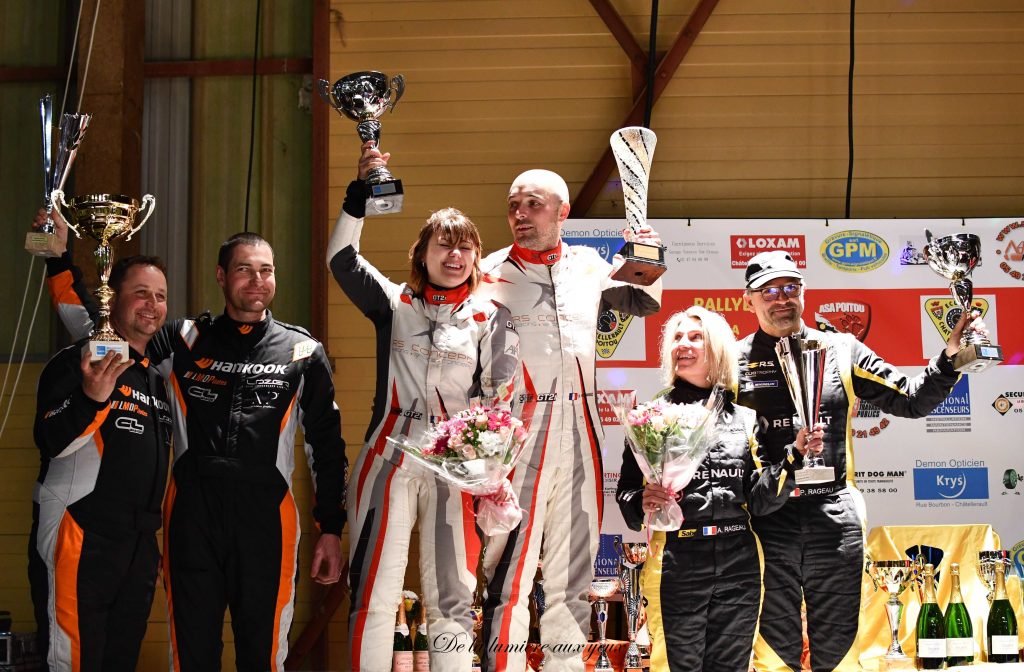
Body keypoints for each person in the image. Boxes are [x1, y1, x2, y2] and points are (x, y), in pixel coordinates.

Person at [39, 214, 348, 671]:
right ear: (222, 277)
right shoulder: (183, 338)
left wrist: (331, 529)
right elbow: (107, 327)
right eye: (244, 268)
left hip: (267, 519)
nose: (257, 279)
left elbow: (326, 444)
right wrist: (59, 259)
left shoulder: (303, 350)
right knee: (191, 655)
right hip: (191, 518)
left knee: (264, 656)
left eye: (266, 269)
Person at [329, 143, 520, 672]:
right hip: (387, 459)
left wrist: (490, 472)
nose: (453, 256)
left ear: (477, 259)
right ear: (423, 253)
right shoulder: (395, 303)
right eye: (443, 245)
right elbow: (341, 260)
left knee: (454, 600)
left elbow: (498, 406)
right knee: (373, 593)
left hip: (455, 471)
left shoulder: (491, 318)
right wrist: (358, 197)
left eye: (464, 248)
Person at [736, 250, 975, 672]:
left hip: (833, 516)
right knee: (773, 649)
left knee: (840, 645)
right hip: (768, 521)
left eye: (790, 288)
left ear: (803, 292)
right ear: (748, 299)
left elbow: (910, 398)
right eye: (769, 291)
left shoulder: (842, 349)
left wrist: (950, 358)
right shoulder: (731, 362)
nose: (781, 299)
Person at [477, 169, 662, 672]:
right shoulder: (488, 270)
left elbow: (641, 298)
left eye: (533, 205)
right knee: (509, 573)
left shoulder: (589, 265)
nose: (519, 215)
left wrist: (646, 252)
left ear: (563, 213)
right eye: (513, 205)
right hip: (519, 435)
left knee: (573, 573)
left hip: (582, 433)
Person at [616, 305, 817, 672]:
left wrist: (793, 458)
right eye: (676, 338)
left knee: (732, 666)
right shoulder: (648, 415)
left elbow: (759, 500)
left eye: (695, 337)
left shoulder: (745, 419)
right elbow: (627, 491)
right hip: (678, 558)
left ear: (717, 349)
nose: (683, 345)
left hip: (739, 558)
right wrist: (641, 500)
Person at [30, 256, 171, 672]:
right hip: (80, 533)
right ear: (112, 301)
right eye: (140, 292)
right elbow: (50, 441)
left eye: (160, 296)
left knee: (119, 661)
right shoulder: (79, 361)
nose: (152, 304)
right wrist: (92, 397)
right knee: (74, 661)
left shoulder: (155, 376)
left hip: (138, 547)